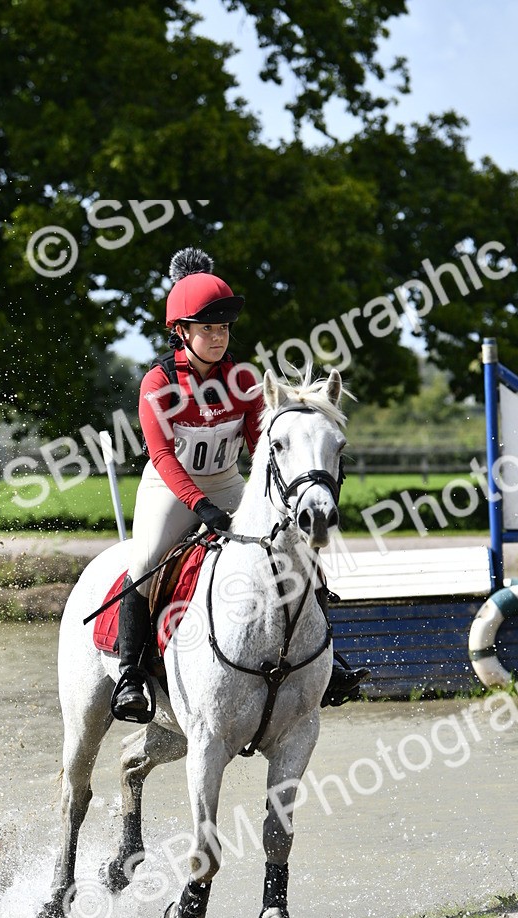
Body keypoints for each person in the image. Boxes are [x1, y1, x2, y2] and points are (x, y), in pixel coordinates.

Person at [112, 247, 369, 721]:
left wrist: (281, 497)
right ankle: (130, 675)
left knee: (298, 552)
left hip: (229, 481)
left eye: (223, 328)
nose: (217, 337)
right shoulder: (158, 383)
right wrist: (199, 505)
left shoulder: (245, 379)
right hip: (170, 487)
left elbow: (260, 443)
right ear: (181, 332)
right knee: (146, 563)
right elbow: (163, 456)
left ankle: (325, 666)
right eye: (206, 328)